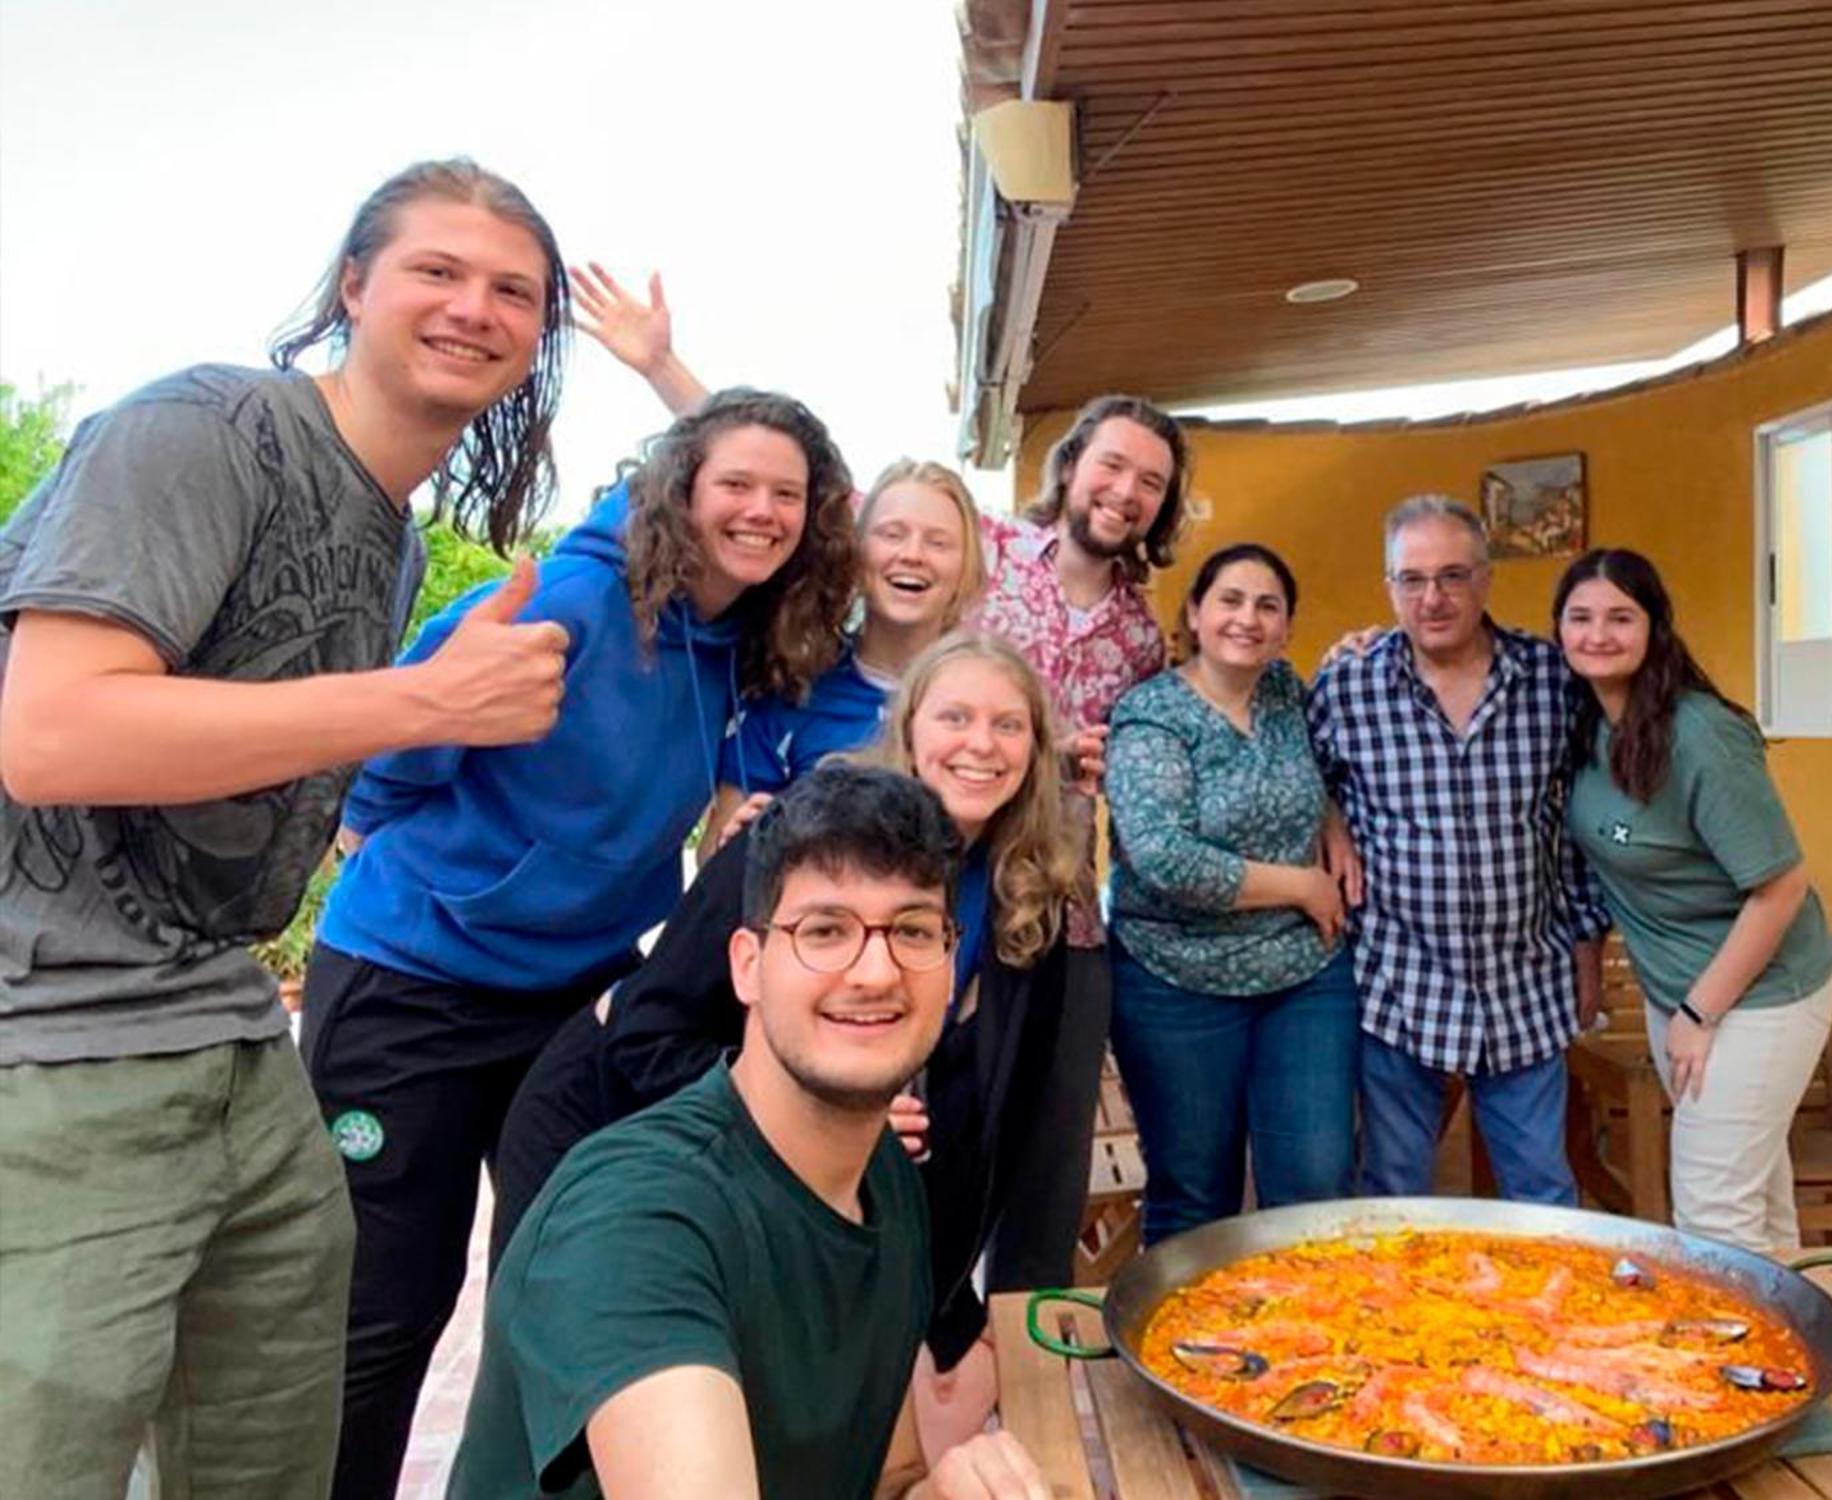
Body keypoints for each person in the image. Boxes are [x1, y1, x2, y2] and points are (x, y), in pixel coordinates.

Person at [0, 157, 573, 1500]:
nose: (474, 307)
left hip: (232, 1029)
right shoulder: (203, 428)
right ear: (354, 286)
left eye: (515, 291)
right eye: (438, 270)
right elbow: (49, 733)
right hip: (52, 1048)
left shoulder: (393, 537)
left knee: (280, 1449)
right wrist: (421, 702)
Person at [567, 263, 1195, 1286]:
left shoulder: (1134, 625)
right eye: (1108, 466)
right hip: (840, 964)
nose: (1123, 491)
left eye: (1149, 482)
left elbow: (1155, 728)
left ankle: (972, 1342)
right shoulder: (907, 610)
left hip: (1029, 912)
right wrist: (660, 367)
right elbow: (787, 482)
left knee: (999, 1154)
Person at [304, 385, 857, 1500]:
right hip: (415, 982)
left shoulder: (746, 631)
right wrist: (370, 833)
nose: (759, 511)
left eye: (784, 495)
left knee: (561, 1286)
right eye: (734, 485)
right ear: (679, 489)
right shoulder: (577, 600)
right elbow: (405, 723)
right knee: (387, 1305)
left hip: (571, 997)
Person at [494, 632, 1079, 1456]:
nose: (980, 744)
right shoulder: (800, 841)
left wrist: (950, 1307)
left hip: (808, 1164)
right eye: (955, 716)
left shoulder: (1025, 893)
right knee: (588, 1420)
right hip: (608, 1115)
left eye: (1008, 725)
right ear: (909, 729)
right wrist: (831, 1111)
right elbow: (646, 1033)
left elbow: (994, 1122)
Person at [1306, 496, 1609, 1206]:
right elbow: (1299, 777)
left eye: (1451, 575)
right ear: (1388, 588)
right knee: (1393, 1194)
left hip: (1527, 985)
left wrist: (1588, 947)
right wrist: (1331, 820)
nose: (1432, 597)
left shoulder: (1552, 679)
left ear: (1486, 579)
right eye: (1411, 579)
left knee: (1544, 1194)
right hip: (1399, 986)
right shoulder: (1348, 685)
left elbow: (1582, 827)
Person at [1555, 548, 1832, 1253]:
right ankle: (1799, 1358)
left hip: (1758, 996)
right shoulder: (1585, 720)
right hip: (1677, 995)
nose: (1598, 634)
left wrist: (1697, 1012)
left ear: (1656, 627)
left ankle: (1733, 1362)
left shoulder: (1701, 736)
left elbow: (1780, 888)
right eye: (1580, 617)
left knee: (1713, 1220)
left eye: (1621, 616)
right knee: (1757, 1210)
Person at [1105, 544, 1363, 1243]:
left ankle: (1311, 1347)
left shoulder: (1286, 691)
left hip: (1303, 974)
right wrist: (1302, 885)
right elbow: (1164, 856)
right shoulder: (1150, 714)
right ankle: (1193, 1350)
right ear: (1195, 611)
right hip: (1175, 981)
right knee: (1196, 1195)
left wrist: (1332, 821)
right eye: (1230, 599)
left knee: (1317, 1183)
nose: (1246, 618)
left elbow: (1321, 773)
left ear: (1285, 627)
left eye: (1267, 605)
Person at [698, 457, 989, 856]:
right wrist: (743, 847)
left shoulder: (993, 698)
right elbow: (714, 855)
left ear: (966, 568)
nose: (913, 554)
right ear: (856, 551)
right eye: (892, 534)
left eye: (938, 542)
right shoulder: (793, 690)